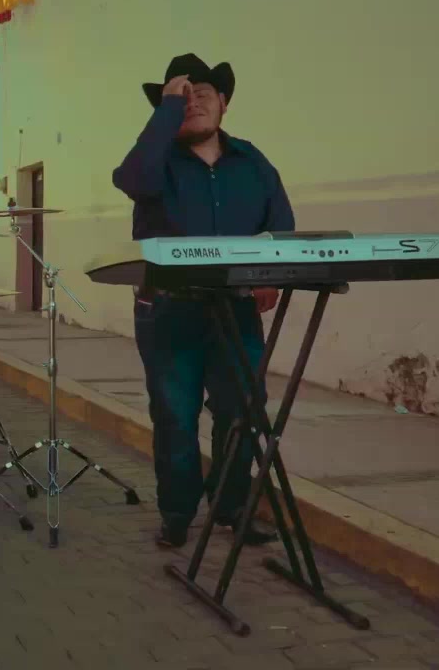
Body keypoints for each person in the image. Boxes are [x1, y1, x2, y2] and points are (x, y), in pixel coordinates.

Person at [113, 53, 296, 549]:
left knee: (243, 411)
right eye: (182, 96)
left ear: (224, 103)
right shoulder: (155, 160)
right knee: (175, 415)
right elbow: (131, 180)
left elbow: (280, 223)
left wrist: (271, 273)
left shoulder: (252, 161)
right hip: (169, 310)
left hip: (236, 310)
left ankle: (230, 507)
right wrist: (167, 111)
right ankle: (177, 513)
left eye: (204, 94)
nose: (193, 102)